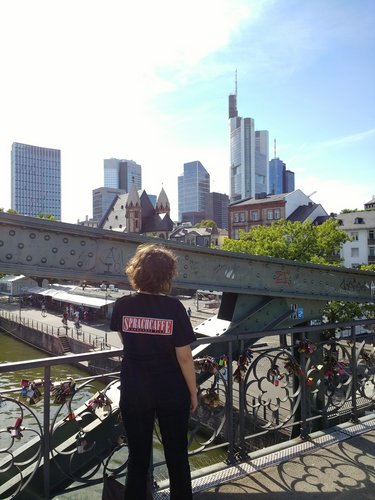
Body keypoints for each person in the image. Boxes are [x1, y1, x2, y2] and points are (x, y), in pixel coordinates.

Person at [110, 243, 198, 500]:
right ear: (167, 276)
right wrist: (193, 392)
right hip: (171, 390)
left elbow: (127, 341)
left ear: (136, 272)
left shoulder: (122, 305)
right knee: (177, 455)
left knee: (138, 457)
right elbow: (184, 356)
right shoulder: (174, 308)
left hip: (135, 389)